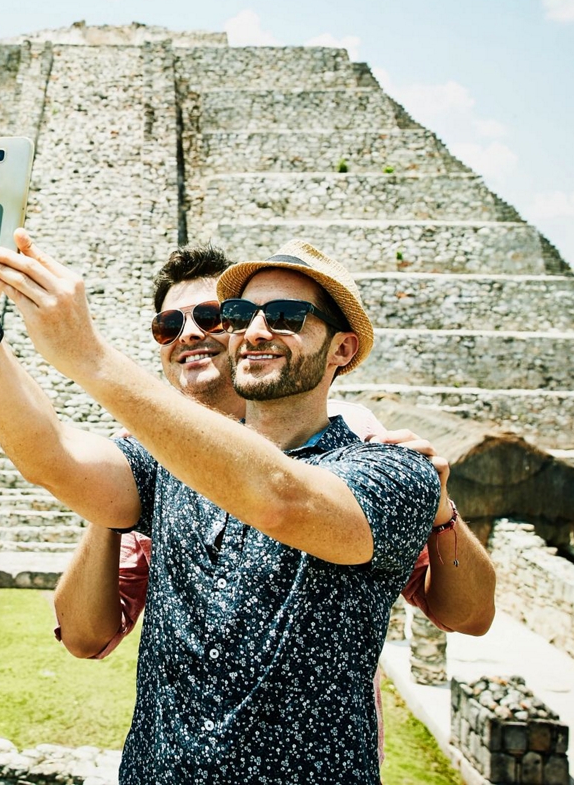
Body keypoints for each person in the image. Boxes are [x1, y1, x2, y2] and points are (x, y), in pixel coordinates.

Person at [0, 223, 443, 783]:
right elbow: (51, 458)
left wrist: (89, 355)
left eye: (286, 317)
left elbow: (280, 499)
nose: (254, 331)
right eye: (242, 316)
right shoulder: (171, 463)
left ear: (341, 349)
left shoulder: (396, 470)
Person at [53, 244, 496, 665]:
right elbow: (85, 636)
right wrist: (115, 494)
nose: (188, 334)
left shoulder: (355, 439)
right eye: (168, 326)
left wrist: (440, 512)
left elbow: (465, 615)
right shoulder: (154, 460)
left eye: (213, 317)